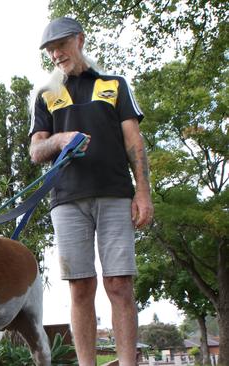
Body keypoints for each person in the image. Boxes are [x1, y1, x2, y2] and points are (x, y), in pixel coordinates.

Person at [28, 17, 153, 366]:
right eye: (50, 50)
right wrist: (61, 139)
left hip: (115, 194)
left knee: (119, 284)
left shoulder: (115, 85)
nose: (55, 54)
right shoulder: (46, 94)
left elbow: (134, 142)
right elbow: (36, 152)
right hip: (66, 200)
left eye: (61, 45)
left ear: (79, 40)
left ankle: (128, 363)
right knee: (80, 288)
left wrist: (143, 193)